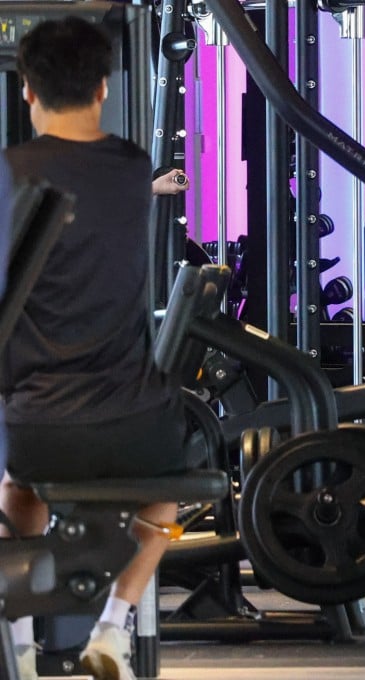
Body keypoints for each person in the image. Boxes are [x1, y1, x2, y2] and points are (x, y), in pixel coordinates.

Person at [0, 17, 187, 680]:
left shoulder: (11, 172)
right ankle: (114, 623)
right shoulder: (133, 169)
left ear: (28, 89)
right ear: (104, 87)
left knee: (18, 493)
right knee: (165, 496)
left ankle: (20, 641)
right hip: (137, 424)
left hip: (40, 427)